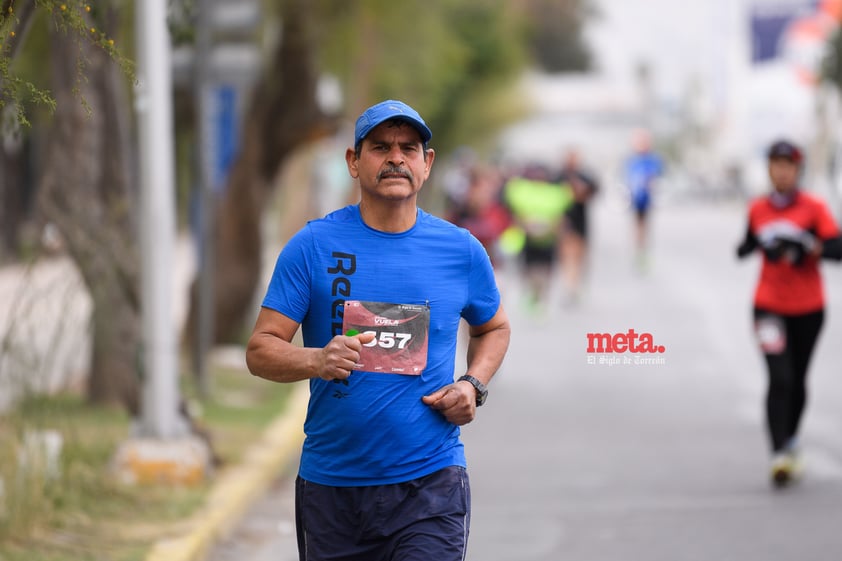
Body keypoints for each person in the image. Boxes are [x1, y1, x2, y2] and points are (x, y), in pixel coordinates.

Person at [246, 99, 511, 560]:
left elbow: (495, 328)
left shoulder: (460, 251)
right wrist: (317, 360)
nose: (395, 158)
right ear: (354, 161)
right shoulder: (312, 246)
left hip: (431, 484)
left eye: (409, 149)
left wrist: (473, 384)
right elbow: (260, 349)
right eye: (380, 147)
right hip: (333, 488)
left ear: (426, 165)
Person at [736, 139, 842, 488]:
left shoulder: (814, 208)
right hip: (768, 305)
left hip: (808, 308)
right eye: (775, 165)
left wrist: (807, 247)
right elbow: (747, 243)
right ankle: (779, 452)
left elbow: (836, 248)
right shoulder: (758, 209)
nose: (781, 172)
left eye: (788, 165)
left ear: (798, 170)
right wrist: (752, 246)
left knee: (797, 380)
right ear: (768, 169)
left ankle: (792, 438)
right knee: (779, 377)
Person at [502, 163, 573, 312]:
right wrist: (524, 224)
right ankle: (533, 294)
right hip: (528, 239)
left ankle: (541, 297)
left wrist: (557, 229)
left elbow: (562, 218)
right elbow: (514, 214)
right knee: (530, 270)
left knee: (546, 270)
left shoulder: (556, 194)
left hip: (548, 240)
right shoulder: (522, 192)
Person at [554, 148, 599, 305]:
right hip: (564, 220)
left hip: (581, 220)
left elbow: (594, 190)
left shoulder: (584, 175)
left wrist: (582, 191)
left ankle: (575, 284)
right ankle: (570, 285)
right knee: (567, 254)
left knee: (579, 256)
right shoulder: (559, 176)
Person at [623, 128, 663, 269]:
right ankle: (638, 253)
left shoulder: (653, 159)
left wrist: (653, 184)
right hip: (635, 199)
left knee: (644, 227)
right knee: (638, 227)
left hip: (647, 199)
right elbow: (627, 180)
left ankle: (642, 253)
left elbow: (659, 177)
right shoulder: (632, 160)